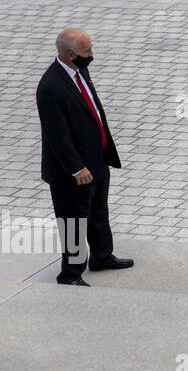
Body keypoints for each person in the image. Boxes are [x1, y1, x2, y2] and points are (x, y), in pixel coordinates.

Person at [36, 28, 133, 286]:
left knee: (98, 211)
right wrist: (77, 168)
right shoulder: (50, 87)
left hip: (97, 159)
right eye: (86, 51)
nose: (91, 55)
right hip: (74, 171)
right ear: (69, 55)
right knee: (74, 219)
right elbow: (57, 135)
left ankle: (101, 255)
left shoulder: (79, 71)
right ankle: (70, 273)